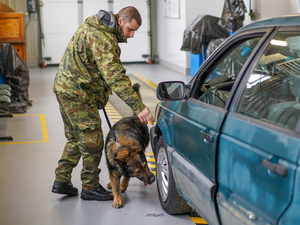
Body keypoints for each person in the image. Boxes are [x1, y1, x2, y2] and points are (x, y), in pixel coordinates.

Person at [51, 6, 155, 201]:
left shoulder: (97, 26)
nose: (131, 35)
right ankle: (90, 186)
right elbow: (115, 77)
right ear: (121, 21)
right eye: (130, 30)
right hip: (77, 93)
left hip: (65, 88)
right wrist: (139, 107)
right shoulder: (103, 38)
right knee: (93, 140)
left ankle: (62, 179)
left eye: (134, 32)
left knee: (75, 137)